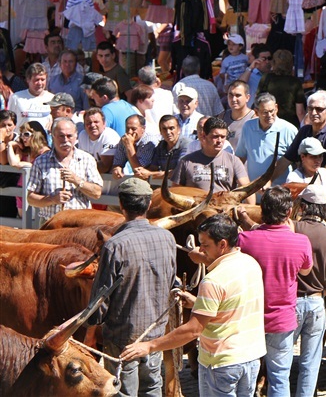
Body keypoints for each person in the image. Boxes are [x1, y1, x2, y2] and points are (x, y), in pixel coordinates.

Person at [119, 214, 266, 396]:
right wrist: (198, 302)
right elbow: (231, 305)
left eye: (205, 245)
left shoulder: (213, 281)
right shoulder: (251, 263)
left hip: (222, 363)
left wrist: (149, 346)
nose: (200, 249)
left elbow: (193, 330)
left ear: (222, 244)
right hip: (251, 357)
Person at [88, 177, 176, 397]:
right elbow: (171, 281)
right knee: (152, 386)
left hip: (122, 336)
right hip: (155, 332)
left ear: (122, 204)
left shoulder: (114, 245)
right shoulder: (167, 238)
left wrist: (93, 322)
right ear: (148, 204)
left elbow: (101, 297)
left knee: (123, 392)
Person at [236, 187, 313, 397]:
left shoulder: (244, 240)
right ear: (289, 212)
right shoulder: (301, 241)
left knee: (246, 378)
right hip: (282, 319)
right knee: (279, 377)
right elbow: (305, 270)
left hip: (249, 319)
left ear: (262, 210)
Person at [291, 184, 326, 397]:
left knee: (282, 357)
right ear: (324, 209)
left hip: (290, 302)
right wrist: (323, 290)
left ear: (303, 207)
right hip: (316, 303)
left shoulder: (293, 228)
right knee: (311, 361)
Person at [27, 118, 103, 220]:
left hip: (79, 223)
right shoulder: (41, 162)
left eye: (69, 136)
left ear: (76, 136)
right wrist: (52, 199)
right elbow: (31, 198)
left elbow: (97, 193)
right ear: (53, 137)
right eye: (61, 136)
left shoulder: (87, 159)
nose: (65, 140)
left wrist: (76, 180)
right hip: (50, 223)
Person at [171, 117, 254, 202]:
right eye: (215, 136)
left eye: (223, 137)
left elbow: (247, 190)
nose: (219, 141)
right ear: (204, 136)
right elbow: (175, 192)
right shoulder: (186, 161)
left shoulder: (234, 161)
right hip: (196, 210)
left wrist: (249, 212)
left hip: (223, 211)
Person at [271, 91, 326, 181]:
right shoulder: (304, 131)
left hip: (324, 187)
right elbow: (286, 160)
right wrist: (267, 181)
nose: (314, 113)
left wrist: (316, 186)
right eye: (310, 109)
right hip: (303, 182)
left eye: (319, 109)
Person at [236, 92, 298, 185]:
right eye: (265, 112)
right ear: (256, 112)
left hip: (280, 193)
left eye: (272, 111)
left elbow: (299, 163)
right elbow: (241, 158)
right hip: (254, 192)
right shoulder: (248, 127)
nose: (269, 115)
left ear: (276, 108)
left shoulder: (289, 129)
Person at [256, 49, 306, 128]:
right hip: (290, 124)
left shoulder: (266, 78)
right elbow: (300, 112)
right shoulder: (295, 82)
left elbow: (258, 100)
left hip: (269, 121)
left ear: (274, 62)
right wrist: (305, 130)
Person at [7, 63, 54, 130]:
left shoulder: (52, 98)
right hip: (22, 139)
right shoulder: (16, 98)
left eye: (42, 79)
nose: (40, 83)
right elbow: (9, 122)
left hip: (44, 139)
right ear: (28, 80)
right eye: (36, 80)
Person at [111, 115, 159, 179]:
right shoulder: (125, 139)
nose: (129, 132)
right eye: (127, 128)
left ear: (143, 129)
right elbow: (118, 162)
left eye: (133, 129)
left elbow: (139, 170)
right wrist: (117, 169)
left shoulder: (149, 141)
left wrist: (129, 146)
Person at [144, 115, 191, 181]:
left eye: (171, 128)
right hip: (166, 185)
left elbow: (179, 171)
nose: (168, 132)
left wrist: (150, 174)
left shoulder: (186, 144)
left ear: (179, 129)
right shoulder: (161, 146)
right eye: (164, 129)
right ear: (160, 131)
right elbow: (153, 167)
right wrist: (142, 172)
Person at [78, 108, 120, 173]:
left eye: (96, 122)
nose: (92, 125)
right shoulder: (82, 135)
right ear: (84, 125)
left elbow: (105, 167)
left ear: (104, 123)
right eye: (88, 123)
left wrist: (84, 165)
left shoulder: (110, 135)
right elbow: (79, 161)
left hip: (113, 179)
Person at [218, 80, 255, 150]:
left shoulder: (254, 119)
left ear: (247, 97)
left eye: (238, 95)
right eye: (230, 95)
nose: (234, 99)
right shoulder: (222, 117)